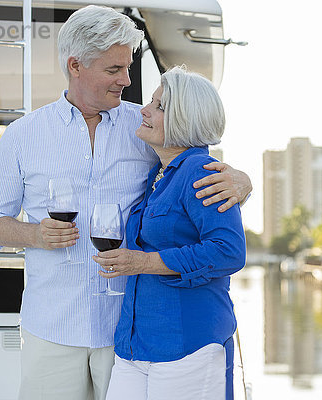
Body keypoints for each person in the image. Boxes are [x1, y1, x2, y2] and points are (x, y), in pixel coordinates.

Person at [0, 6, 251, 400]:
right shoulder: (23, 135)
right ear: (75, 65)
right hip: (51, 326)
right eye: (113, 69)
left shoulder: (143, 126)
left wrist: (242, 181)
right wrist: (32, 234)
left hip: (125, 331)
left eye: (128, 67)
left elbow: (195, 167)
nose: (126, 80)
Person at [93, 66, 246, 400]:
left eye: (159, 106)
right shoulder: (158, 176)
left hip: (187, 345)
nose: (145, 110)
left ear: (184, 120)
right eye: (151, 101)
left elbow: (229, 251)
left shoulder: (200, 172)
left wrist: (144, 262)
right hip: (135, 345)